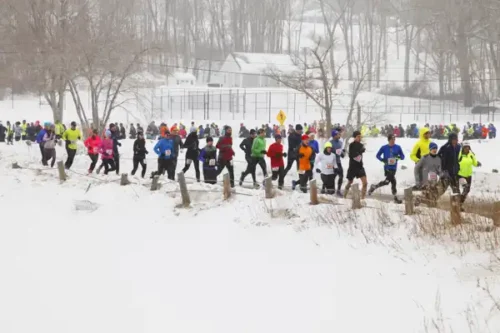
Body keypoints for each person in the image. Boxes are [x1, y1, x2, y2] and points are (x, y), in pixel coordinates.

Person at [368, 134, 405, 203]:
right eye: (391, 139)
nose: (393, 141)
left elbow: (403, 156)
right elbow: (377, 155)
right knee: (390, 181)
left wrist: (398, 157)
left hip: (394, 167)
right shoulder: (384, 147)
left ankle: (374, 187)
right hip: (387, 167)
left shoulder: (398, 147)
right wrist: (382, 160)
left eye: (394, 139)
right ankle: (395, 198)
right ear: (388, 140)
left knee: (391, 182)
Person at [414, 142, 442, 206]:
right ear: (430, 149)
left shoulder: (438, 159)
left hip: (434, 181)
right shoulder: (425, 158)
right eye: (433, 148)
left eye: (436, 149)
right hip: (425, 180)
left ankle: (420, 199)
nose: (435, 150)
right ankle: (419, 200)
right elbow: (416, 168)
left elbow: (439, 170)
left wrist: (440, 175)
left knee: (433, 198)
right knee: (428, 195)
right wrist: (417, 180)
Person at [344, 131, 367, 199]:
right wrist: (360, 151)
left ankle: (363, 198)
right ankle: (344, 195)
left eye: (360, 136)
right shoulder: (351, 145)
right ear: (355, 137)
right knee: (350, 182)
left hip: (360, 166)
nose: (359, 138)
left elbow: (360, 153)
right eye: (358, 136)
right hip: (352, 167)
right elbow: (352, 155)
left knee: (365, 183)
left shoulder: (361, 145)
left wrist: (362, 150)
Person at [457, 141, 481, 208]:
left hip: (468, 175)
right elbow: (455, 161)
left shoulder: (471, 155)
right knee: (466, 188)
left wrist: (477, 164)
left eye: (468, 147)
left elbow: (474, 162)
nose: (467, 148)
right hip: (460, 175)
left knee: (467, 190)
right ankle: (459, 204)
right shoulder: (460, 154)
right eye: (465, 147)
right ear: (463, 148)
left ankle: (459, 204)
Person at [330, 130, 345, 197]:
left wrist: (342, 153)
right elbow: (327, 152)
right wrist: (334, 151)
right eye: (337, 135)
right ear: (334, 136)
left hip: (338, 162)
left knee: (341, 176)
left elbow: (340, 151)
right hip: (332, 162)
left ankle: (338, 190)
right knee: (332, 177)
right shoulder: (330, 143)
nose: (339, 135)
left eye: (339, 134)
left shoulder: (340, 143)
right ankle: (330, 189)